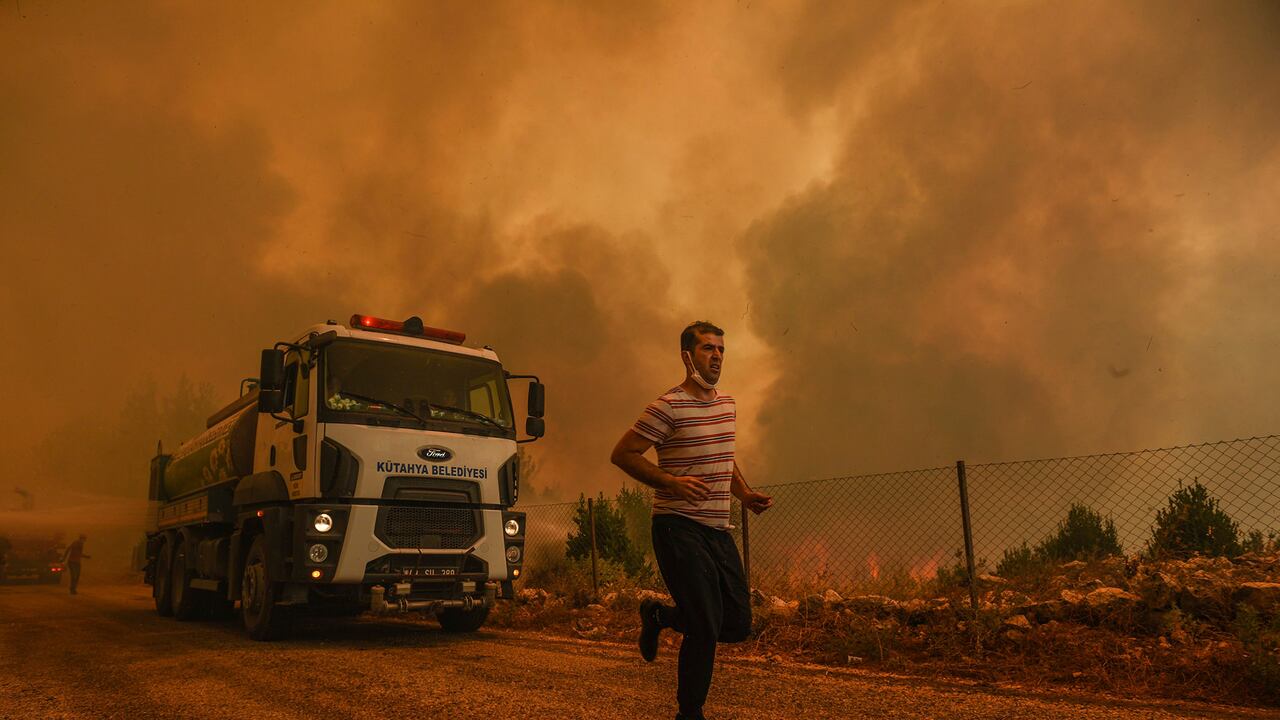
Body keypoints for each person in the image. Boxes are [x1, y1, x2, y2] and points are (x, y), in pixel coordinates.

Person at [610, 321, 773, 720]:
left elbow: (722, 456)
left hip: (716, 530)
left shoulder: (727, 404)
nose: (716, 356)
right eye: (707, 348)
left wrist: (744, 493)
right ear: (687, 355)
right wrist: (671, 482)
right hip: (676, 525)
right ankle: (690, 711)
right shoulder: (668, 406)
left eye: (721, 349)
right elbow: (623, 454)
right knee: (704, 623)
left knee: (737, 623)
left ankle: (659, 615)